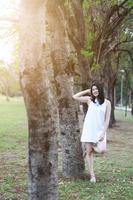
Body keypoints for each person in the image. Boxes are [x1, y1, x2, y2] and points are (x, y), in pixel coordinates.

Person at [72, 81, 111, 183]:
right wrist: (87, 90)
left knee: (101, 150)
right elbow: (75, 97)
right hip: (89, 129)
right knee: (89, 152)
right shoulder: (89, 100)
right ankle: (92, 175)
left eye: (96, 89)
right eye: (93, 89)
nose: (95, 91)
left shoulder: (107, 103)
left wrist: (103, 132)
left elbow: (107, 119)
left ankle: (90, 147)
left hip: (99, 131)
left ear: (100, 89)